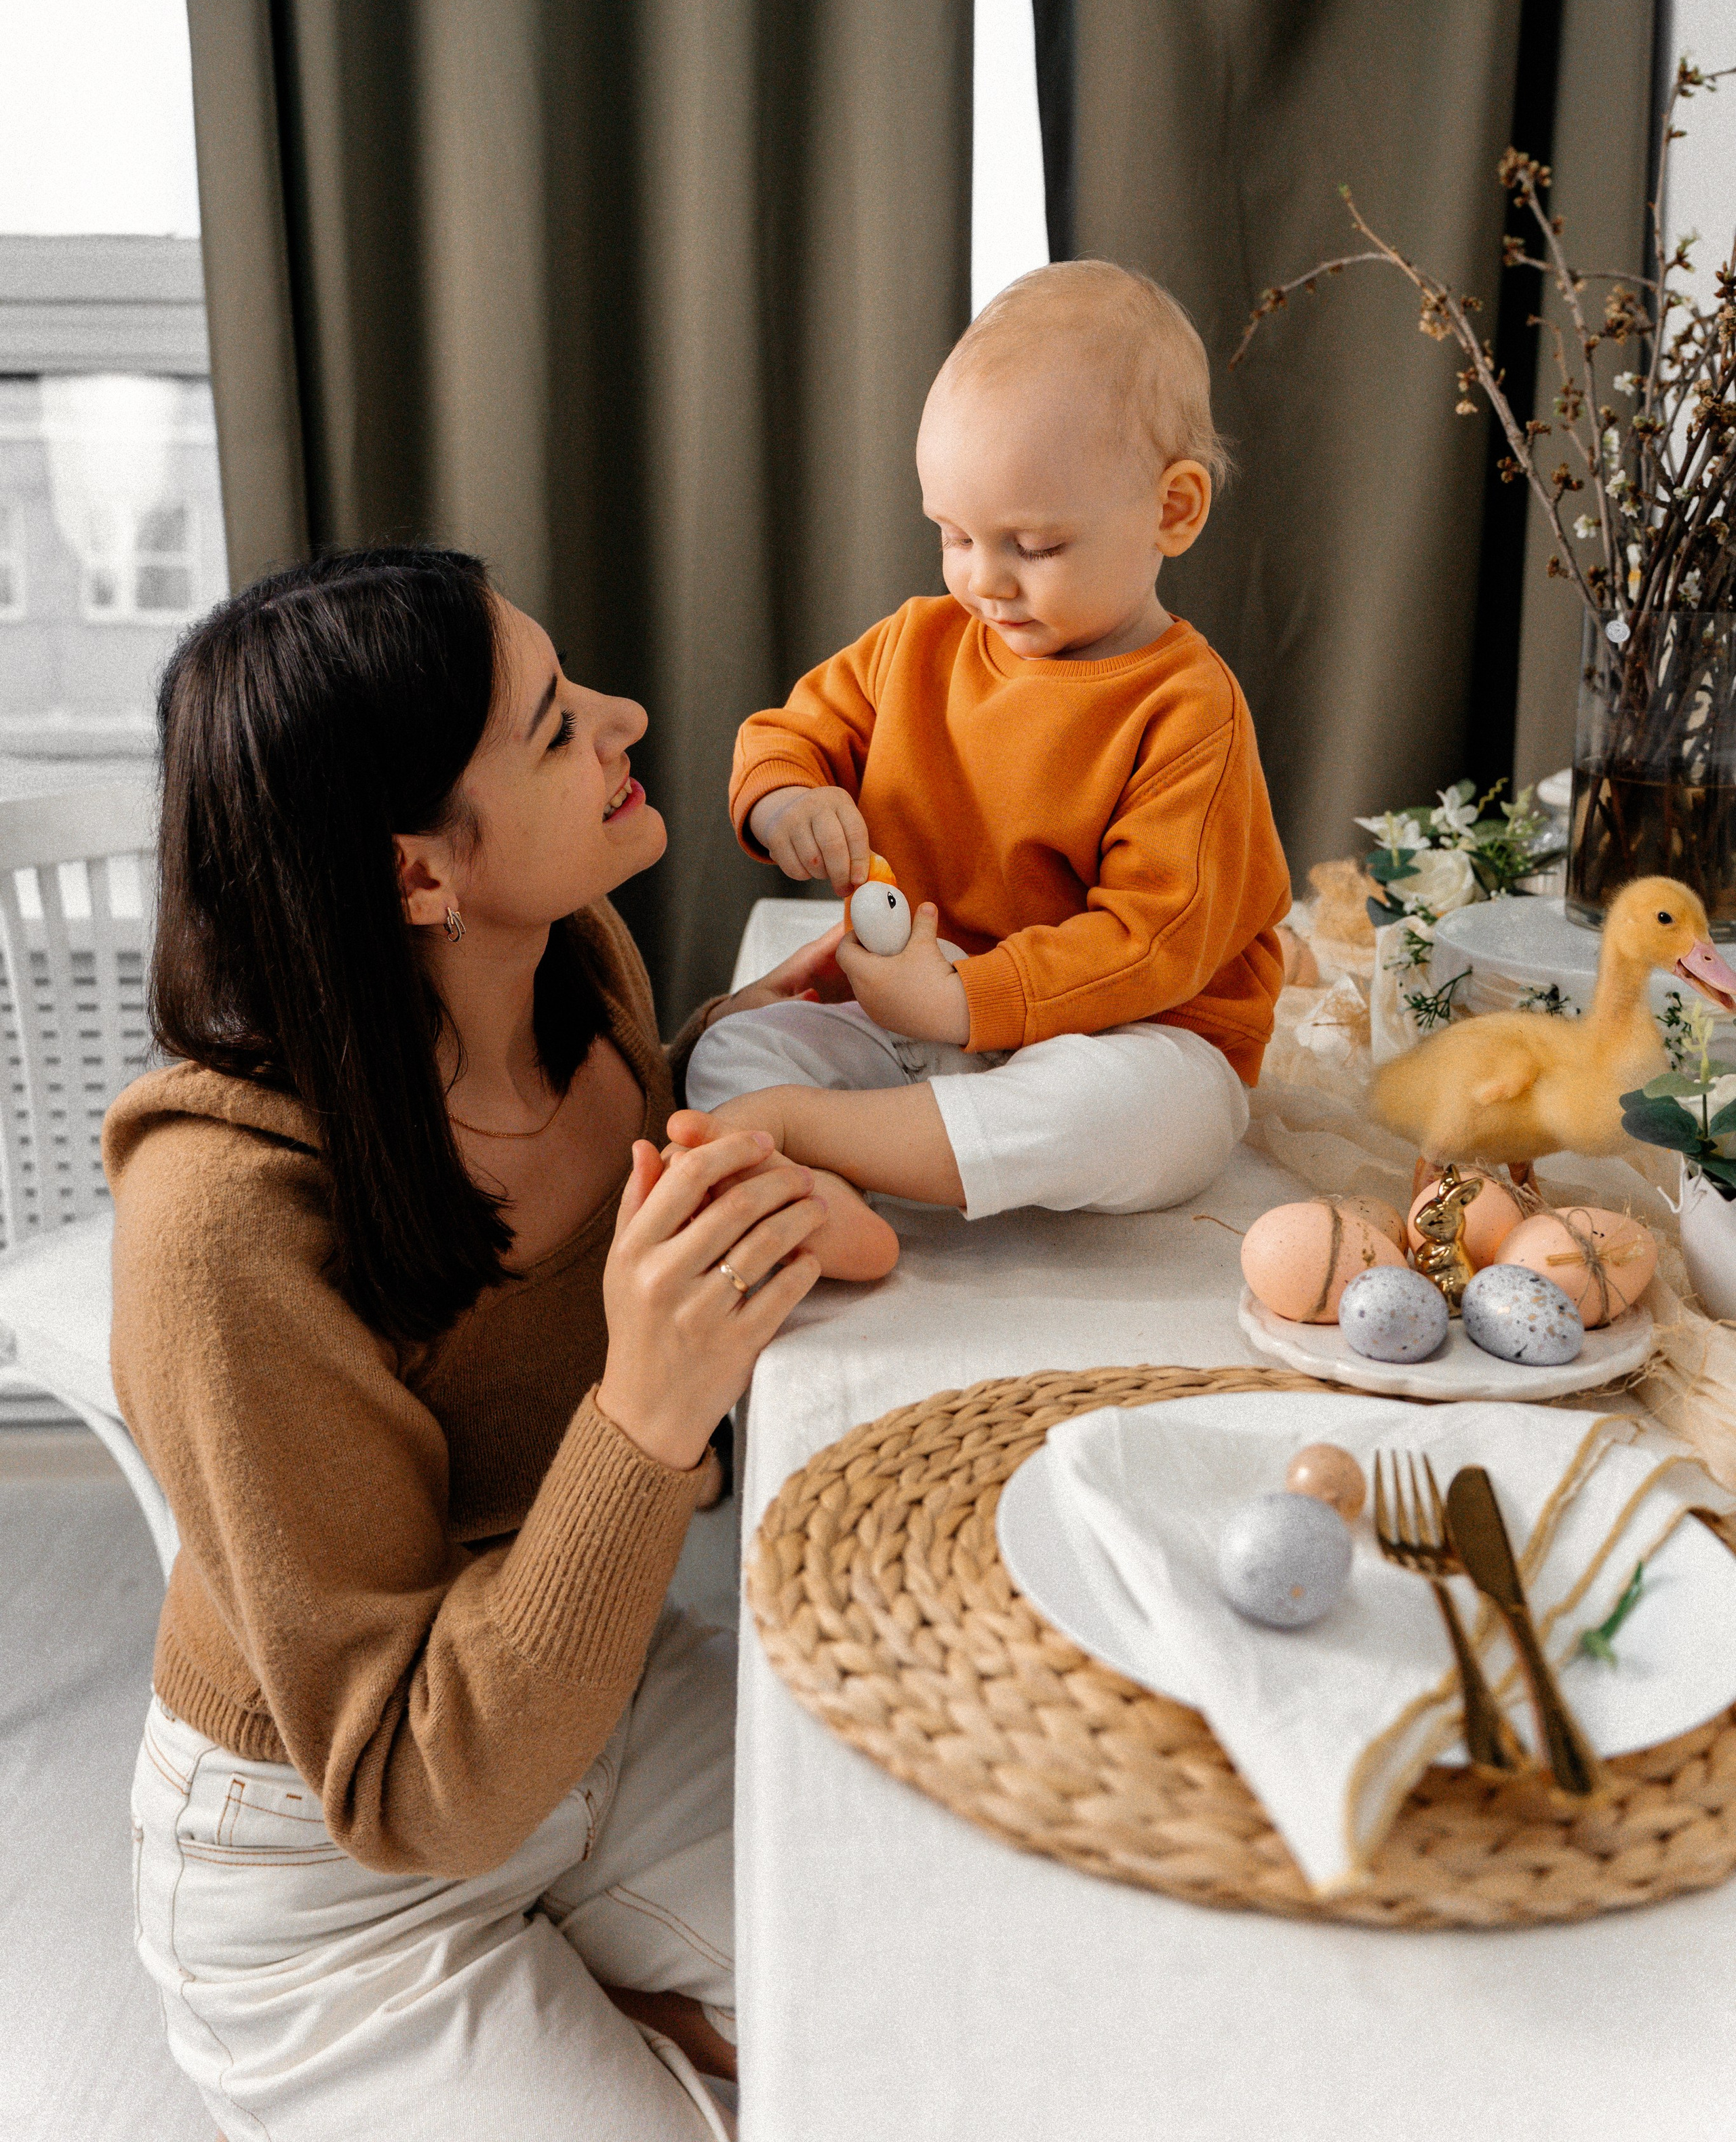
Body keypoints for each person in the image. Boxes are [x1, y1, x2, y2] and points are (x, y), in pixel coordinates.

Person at [110, 547, 890, 2142]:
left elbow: (547, 1288)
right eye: (552, 729)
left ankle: (617, 1992)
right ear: (417, 876)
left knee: (956, 1990)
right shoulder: (224, 1233)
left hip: (584, 1707)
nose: (627, 718)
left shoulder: (568, 973)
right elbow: (408, 1782)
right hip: (338, 1874)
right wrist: (649, 1411)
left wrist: (732, 1070)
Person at [687, 260, 1291, 1220]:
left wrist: (970, 1006)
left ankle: (815, 1141)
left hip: (1127, 1032)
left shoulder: (1188, 709)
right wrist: (788, 799)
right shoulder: (918, 644)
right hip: (926, 1016)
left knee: (1157, 1116)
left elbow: (1152, 942)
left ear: (1172, 511)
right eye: (953, 535)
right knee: (732, 1049)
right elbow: (790, 732)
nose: (986, 582)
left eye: (1035, 546)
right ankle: (846, 1161)